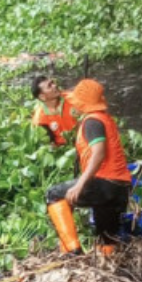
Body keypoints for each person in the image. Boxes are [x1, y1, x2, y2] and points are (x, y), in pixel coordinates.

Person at [46, 79, 131, 256]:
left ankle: (72, 251)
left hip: (103, 182)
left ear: (83, 104)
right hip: (120, 188)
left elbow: (98, 153)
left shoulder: (92, 123)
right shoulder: (105, 118)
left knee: (54, 195)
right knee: (105, 238)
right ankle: (108, 261)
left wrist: (80, 184)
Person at [30, 76, 78, 147]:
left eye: (52, 82)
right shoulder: (40, 119)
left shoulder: (74, 99)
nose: (55, 85)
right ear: (42, 97)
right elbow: (49, 144)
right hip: (64, 150)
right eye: (49, 86)